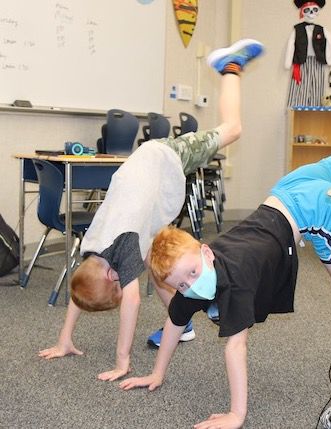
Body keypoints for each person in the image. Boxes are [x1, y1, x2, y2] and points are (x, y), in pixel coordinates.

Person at [119, 52, 331, 429]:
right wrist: (157, 374)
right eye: (181, 284)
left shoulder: (232, 281)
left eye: (190, 274)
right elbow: (175, 319)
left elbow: (236, 346)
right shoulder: (194, 266)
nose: (190, 285)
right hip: (287, 189)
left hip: (312, 211)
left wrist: (237, 415)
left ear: (206, 250)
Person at [37, 38, 265, 382]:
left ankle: (230, 66)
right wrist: (64, 338)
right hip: (145, 167)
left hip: (166, 156)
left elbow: (131, 304)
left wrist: (122, 361)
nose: (121, 283)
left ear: (114, 276)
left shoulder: (121, 247)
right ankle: (182, 322)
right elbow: (80, 288)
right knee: (155, 262)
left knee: (232, 129)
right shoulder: (91, 253)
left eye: (118, 284)